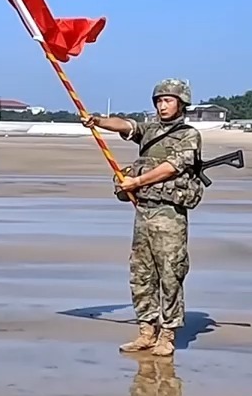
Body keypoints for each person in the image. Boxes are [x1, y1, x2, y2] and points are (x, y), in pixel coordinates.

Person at [82, 79, 204, 356]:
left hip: (169, 214)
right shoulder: (150, 130)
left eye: (168, 100)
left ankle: (168, 334)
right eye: (159, 101)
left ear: (181, 104)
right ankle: (146, 331)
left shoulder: (189, 135)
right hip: (144, 211)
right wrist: (97, 121)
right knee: (141, 273)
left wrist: (136, 182)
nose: (162, 106)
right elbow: (127, 126)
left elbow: (171, 168)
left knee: (171, 273)